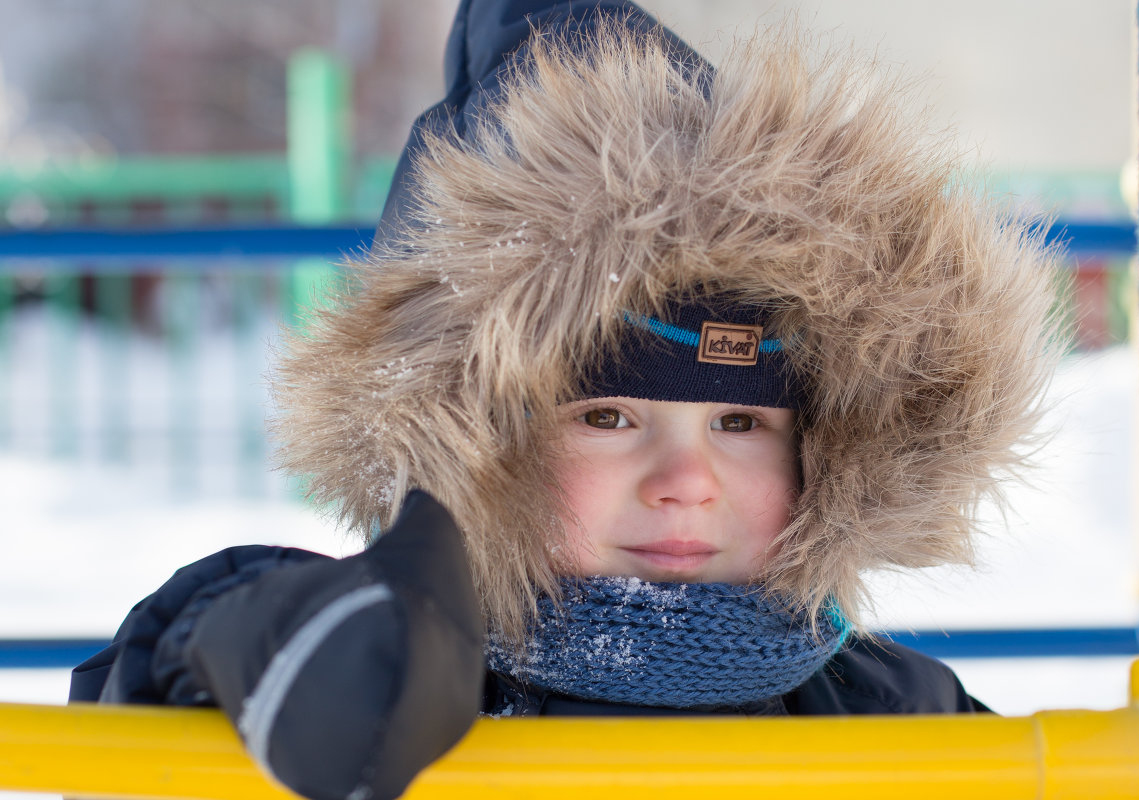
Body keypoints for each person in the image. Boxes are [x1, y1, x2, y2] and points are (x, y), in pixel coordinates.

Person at [70, 1, 1058, 799]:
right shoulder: (380, 662)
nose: (686, 481)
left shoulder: (894, 718)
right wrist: (252, 652)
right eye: (608, 416)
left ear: (833, 453)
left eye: (741, 422)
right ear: (473, 444)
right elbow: (143, 691)